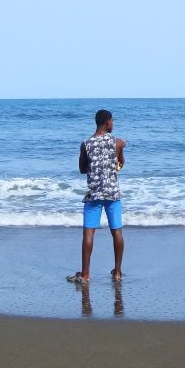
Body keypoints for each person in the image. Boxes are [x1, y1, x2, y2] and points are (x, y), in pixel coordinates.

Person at [67, 109, 126, 284]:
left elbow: (82, 169)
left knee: (89, 233)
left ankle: (85, 275)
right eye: (112, 121)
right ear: (107, 123)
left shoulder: (86, 144)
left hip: (94, 194)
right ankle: (117, 272)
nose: (113, 123)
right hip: (112, 193)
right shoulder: (118, 143)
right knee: (117, 233)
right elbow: (120, 164)